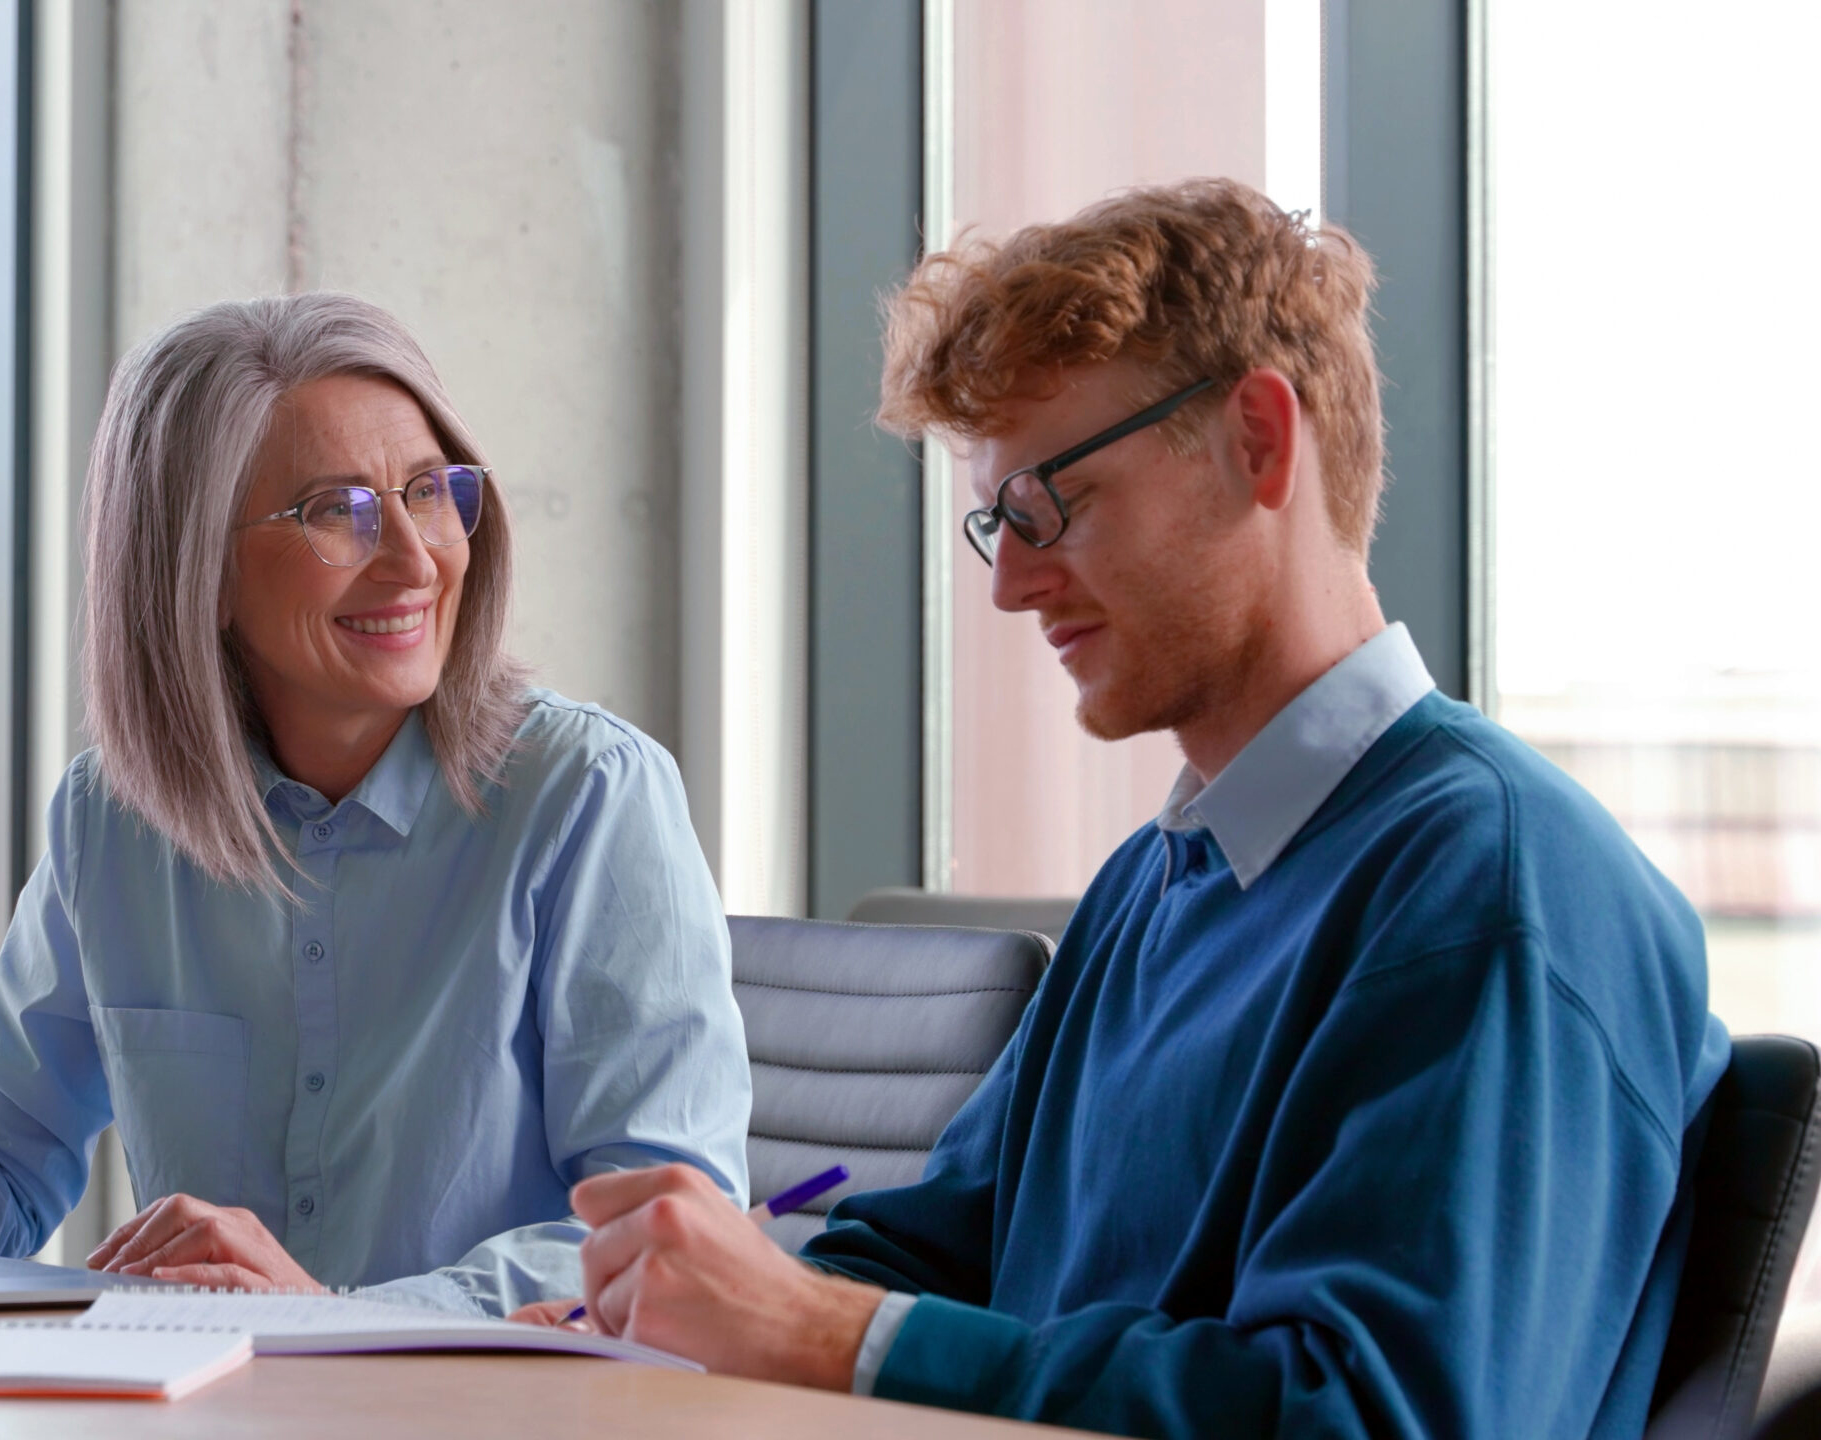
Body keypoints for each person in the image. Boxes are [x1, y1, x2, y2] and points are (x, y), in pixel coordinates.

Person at [561, 178, 1727, 1437]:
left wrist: (818, 1333)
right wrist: (692, 1309)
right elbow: (938, 1257)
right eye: (993, 522)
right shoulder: (1156, 881)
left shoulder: (1492, 886)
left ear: (1260, 443)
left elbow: (1372, 1420)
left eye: (1048, 502)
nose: (1008, 585)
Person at [0, 292, 750, 1315]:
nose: (414, 557)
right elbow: (3, 1144)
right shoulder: (113, 817)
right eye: (335, 511)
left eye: (430, 491)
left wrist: (341, 1319)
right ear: (194, 568)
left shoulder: (590, 796)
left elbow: (667, 1238)